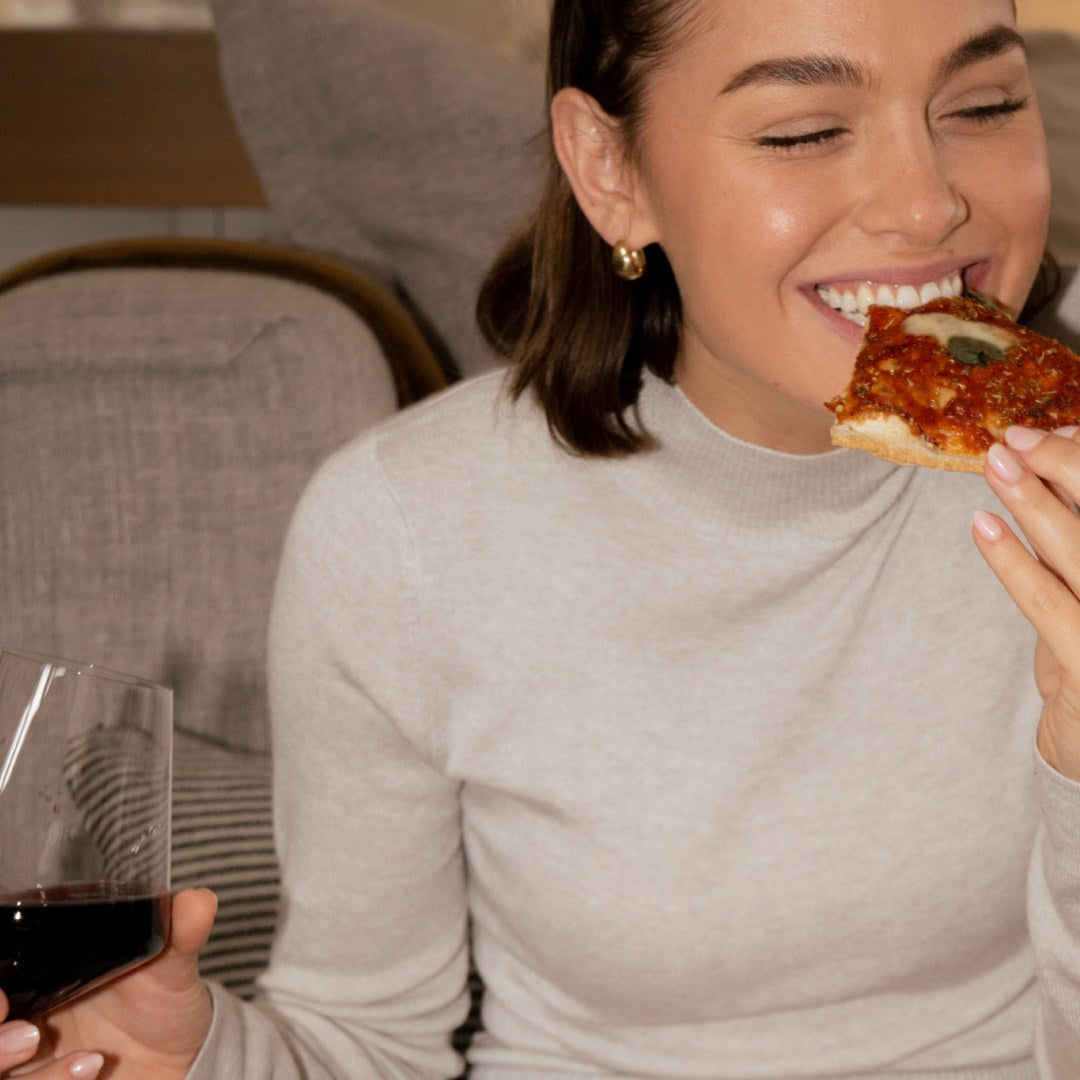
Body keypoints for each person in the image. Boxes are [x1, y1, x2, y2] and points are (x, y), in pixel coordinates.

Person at [5, 0, 1080, 1076]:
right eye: (803, 131)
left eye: (983, 105)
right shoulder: (404, 527)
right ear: (610, 168)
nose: (928, 202)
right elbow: (364, 1043)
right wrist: (190, 1058)